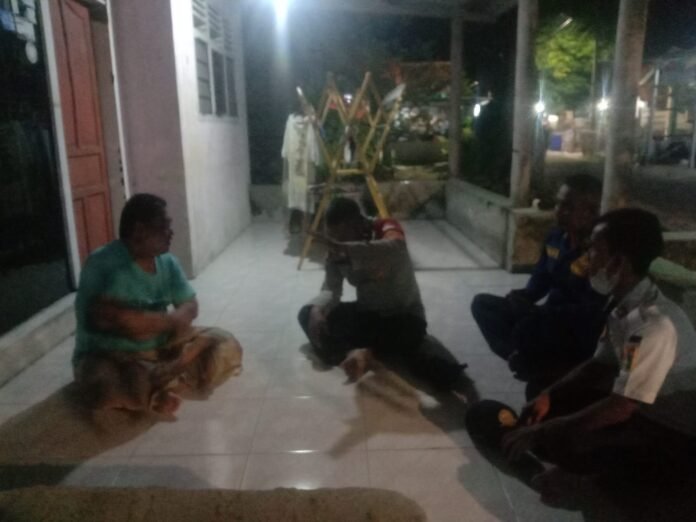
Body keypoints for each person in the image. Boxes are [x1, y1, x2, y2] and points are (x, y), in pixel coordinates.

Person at [498, 209, 696, 500]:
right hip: (643, 409)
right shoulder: (623, 306)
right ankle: (588, 466)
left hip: (670, 430)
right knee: (544, 397)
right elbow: (599, 364)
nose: (587, 257)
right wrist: (548, 394)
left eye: (594, 250)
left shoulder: (654, 325)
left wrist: (543, 432)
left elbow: (622, 407)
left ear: (617, 262)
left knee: (565, 436)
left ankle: (602, 482)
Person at [72, 194, 242, 417]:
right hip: (111, 354)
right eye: (164, 227)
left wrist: (167, 325)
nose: (170, 232)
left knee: (224, 342)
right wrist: (168, 322)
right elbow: (112, 321)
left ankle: (158, 381)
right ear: (140, 230)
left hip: (161, 348)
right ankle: (158, 382)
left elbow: (190, 305)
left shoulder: (167, 262)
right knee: (101, 382)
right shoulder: (103, 263)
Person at [297, 197, 465, 388]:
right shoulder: (337, 250)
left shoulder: (384, 228)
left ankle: (366, 351)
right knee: (307, 315)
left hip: (403, 316)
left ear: (357, 224)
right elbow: (331, 288)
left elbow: (397, 247)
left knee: (410, 339)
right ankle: (353, 354)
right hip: (369, 315)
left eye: (341, 236)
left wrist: (346, 249)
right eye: (333, 237)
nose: (336, 242)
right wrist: (318, 309)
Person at [471, 174, 607, 395]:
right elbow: (540, 280)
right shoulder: (556, 238)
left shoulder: (598, 252)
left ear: (591, 213)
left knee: (527, 327)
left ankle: (538, 363)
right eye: (559, 204)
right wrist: (522, 297)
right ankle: (520, 358)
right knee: (484, 305)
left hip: (573, 327)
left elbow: (591, 311)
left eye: (568, 207)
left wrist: (537, 313)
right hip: (545, 316)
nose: (559, 211)